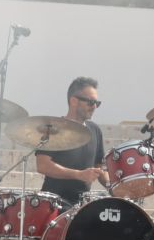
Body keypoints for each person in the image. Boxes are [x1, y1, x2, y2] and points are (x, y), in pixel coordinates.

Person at [36, 76, 108, 205]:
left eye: (97, 103)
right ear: (74, 101)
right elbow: (42, 165)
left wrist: (113, 186)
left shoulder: (95, 130)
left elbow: (99, 167)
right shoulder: (52, 128)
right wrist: (78, 174)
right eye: (91, 102)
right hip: (53, 204)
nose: (94, 107)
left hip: (81, 207)